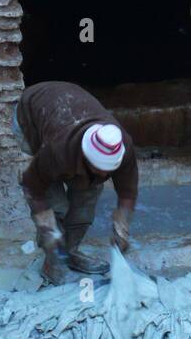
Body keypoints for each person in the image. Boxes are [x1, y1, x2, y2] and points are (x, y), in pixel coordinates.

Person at [14, 81, 138, 285]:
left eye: (110, 170)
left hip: (69, 110)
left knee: (85, 204)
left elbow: (127, 192)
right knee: (56, 209)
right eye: (99, 168)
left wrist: (121, 227)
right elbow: (32, 187)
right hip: (30, 117)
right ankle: (52, 263)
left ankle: (69, 253)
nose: (104, 174)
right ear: (87, 154)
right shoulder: (57, 150)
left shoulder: (122, 145)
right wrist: (48, 229)